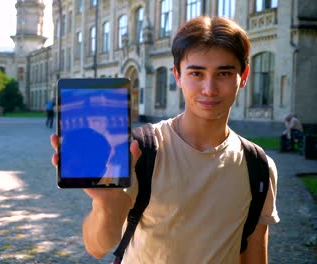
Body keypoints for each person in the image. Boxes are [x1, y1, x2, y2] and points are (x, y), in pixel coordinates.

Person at [50, 16, 279, 263]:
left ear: (243, 76)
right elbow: (97, 246)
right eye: (196, 73)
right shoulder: (140, 150)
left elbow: (254, 254)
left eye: (223, 73)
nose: (209, 89)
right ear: (177, 76)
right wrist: (106, 203)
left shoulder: (258, 166)